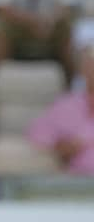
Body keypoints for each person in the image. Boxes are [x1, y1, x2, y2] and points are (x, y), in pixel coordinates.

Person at [27, 43, 94, 175]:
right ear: (83, 69)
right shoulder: (65, 105)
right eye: (91, 64)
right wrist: (63, 147)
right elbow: (38, 135)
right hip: (76, 184)